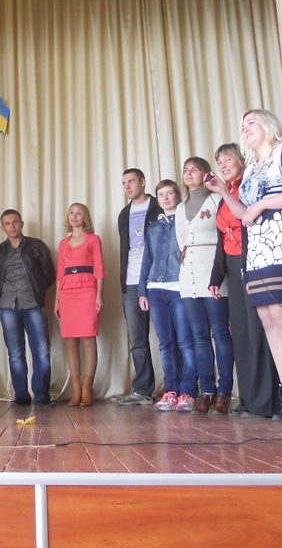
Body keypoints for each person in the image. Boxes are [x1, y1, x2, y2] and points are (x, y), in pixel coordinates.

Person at [206, 109, 282, 422]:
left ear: (268, 125)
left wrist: (264, 204)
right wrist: (222, 191)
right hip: (258, 250)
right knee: (269, 319)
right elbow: (244, 214)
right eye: (242, 126)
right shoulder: (253, 166)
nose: (246, 128)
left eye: (251, 122)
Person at [208, 144, 278, 418]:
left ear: (240, 160)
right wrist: (216, 276)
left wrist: (250, 269)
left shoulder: (249, 187)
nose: (223, 165)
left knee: (258, 330)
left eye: (227, 159)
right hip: (233, 267)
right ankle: (248, 399)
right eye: (219, 161)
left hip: (252, 263)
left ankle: (266, 401)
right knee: (241, 333)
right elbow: (221, 238)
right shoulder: (224, 195)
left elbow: (253, 226)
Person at [176, 156, 233, 414]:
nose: (189, 174)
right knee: (198, 335)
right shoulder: (180, 207)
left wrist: (218, 273)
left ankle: (224, 391)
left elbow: (225, 234)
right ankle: (206, 390)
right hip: (188, 276)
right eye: (186, 170)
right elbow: (181, 240)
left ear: (206, 173)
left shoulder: (218, 199)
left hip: (213, 272)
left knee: (219, 331)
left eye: (195, 169)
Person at [0, 209, 57, 406]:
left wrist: (37, 290)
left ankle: (42, 395)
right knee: (15, 353)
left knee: (41, 351)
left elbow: (49, 274)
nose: (12, 226)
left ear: (22, 224)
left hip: (33, 304)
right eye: (7, 223)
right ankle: (21, 395)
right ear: (2, 227)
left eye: (15, 222)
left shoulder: (37, 247)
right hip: (7, 306)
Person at [138, 180, 197, 411]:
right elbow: (147, 260)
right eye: (161, 194)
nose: (165, 197)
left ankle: (188, 391)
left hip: (179, 287)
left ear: (177, 196)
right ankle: (170, 390)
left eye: (169, 193)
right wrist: (142, 290)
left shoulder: (186, 223)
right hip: (156, 289)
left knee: (185, 341)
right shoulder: (153, 227)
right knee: (165, 343)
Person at [115, 168, 160, 406]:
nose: (127, 186)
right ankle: (143, 390)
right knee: (137, 341)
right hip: (131, 283)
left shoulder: (158, 206)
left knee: (169, 337)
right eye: (124, 183)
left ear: (143, 182)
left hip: (158, 279)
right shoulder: (124, 214)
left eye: (131, 181)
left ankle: (180, 390)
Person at [55, 203, 104, 406]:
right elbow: (60, 273)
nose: (74, 216)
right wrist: (57, 299)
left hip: (87, 289)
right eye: (71, 212)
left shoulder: (93, 239)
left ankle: (87, 387)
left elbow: (99, 268)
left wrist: (99, 295)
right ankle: (75, 389)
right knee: (70, 340)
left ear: (85, 217)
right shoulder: (63, 243)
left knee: (88, 338)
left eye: (79, 213)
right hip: (67, 291)